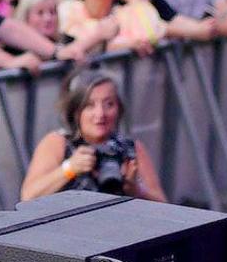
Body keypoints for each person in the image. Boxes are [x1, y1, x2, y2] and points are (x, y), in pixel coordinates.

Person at [20, 71, 166, 203]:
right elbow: (28, 196)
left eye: (109, 104)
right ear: (76, 110)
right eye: (90, 105)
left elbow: (164, 207)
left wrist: (135, 190)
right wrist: (70, 168)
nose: (100, 114)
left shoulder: (130, 148)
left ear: (119, 108)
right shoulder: (58, 142)